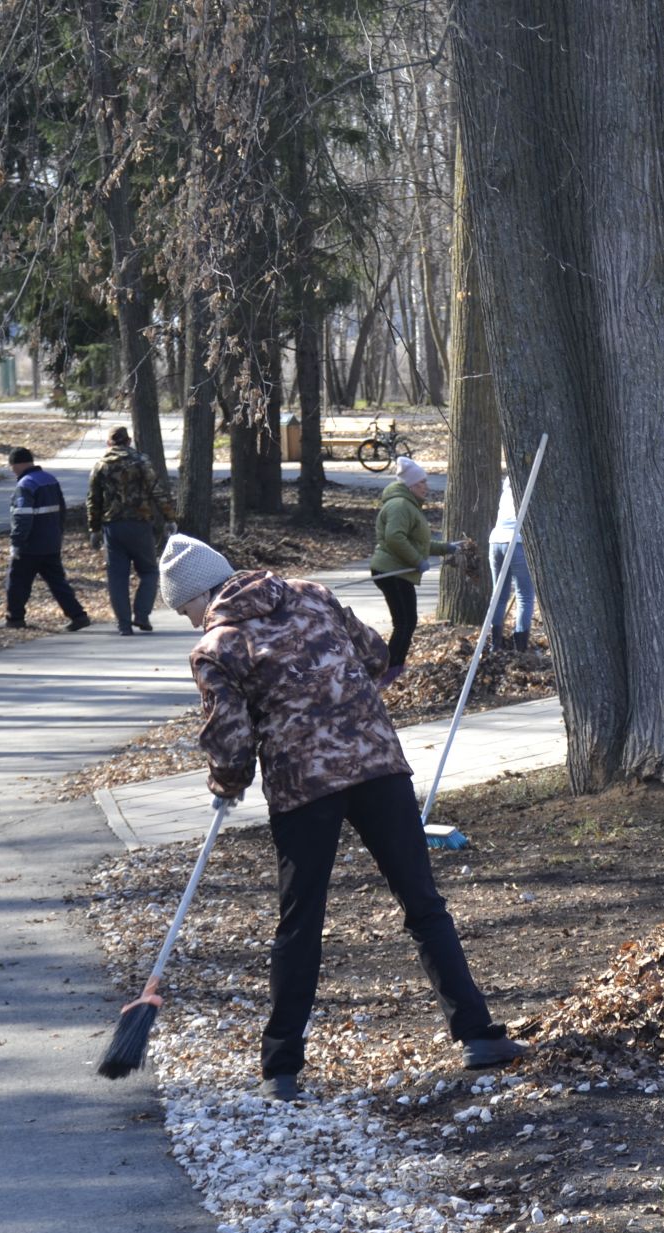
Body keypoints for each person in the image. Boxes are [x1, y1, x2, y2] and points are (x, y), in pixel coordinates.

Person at [156, 533, 524, 1101]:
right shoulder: (312, 593)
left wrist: (227, 784)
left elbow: (228, 739)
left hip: (304, 789)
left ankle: (280, 1070)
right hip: (379, 766)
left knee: (301, 924)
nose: (189, 621)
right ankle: (478, 1035)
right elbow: (375, 654)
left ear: (201, 594)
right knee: (423, 902)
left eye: (184, 609)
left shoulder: (217, 647)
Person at [370, 456, 475, 687]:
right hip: (391, 571)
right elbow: (395, 537)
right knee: (405, 621)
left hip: (398, 570)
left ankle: (392, 667)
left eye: (426, 482)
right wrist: (417, 561)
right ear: (409, 485)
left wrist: (447, 548)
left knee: (406, 621)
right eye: (422, 483)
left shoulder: (408, 505)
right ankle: (390, 670)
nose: (426, 487)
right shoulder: (399, 505)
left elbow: (418, 542)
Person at [86, 426, 177, 635]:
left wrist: (94, 528)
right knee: (149, 571)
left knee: (117, 577)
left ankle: (124, 624)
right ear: (128, 441)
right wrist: (169, 517)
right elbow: (157, 490)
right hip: (139, 523)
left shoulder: (100, 465)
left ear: (109, 443)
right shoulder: (141, 461)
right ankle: (142, 615)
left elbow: (93, 500)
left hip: (112, 527)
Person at [5, 447, 92, 632]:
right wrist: (57, 534)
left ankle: (15, 618)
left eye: (12, 466)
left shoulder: (25, 485)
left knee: (17, 581)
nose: (12, 471)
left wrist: (17, 543)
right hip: (51, 543)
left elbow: (23, 516)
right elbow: (62, 510)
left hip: (30, 545)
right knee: (57, 582)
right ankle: (78, 615)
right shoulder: (49, 479)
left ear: (18, 464)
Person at [487, 471, 535, 652]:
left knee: (498, 595)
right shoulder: (527, 485)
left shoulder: (506, 487)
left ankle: (495, 644)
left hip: (496, 541)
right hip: (517, 542)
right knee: (525, 596)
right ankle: (520, 647)